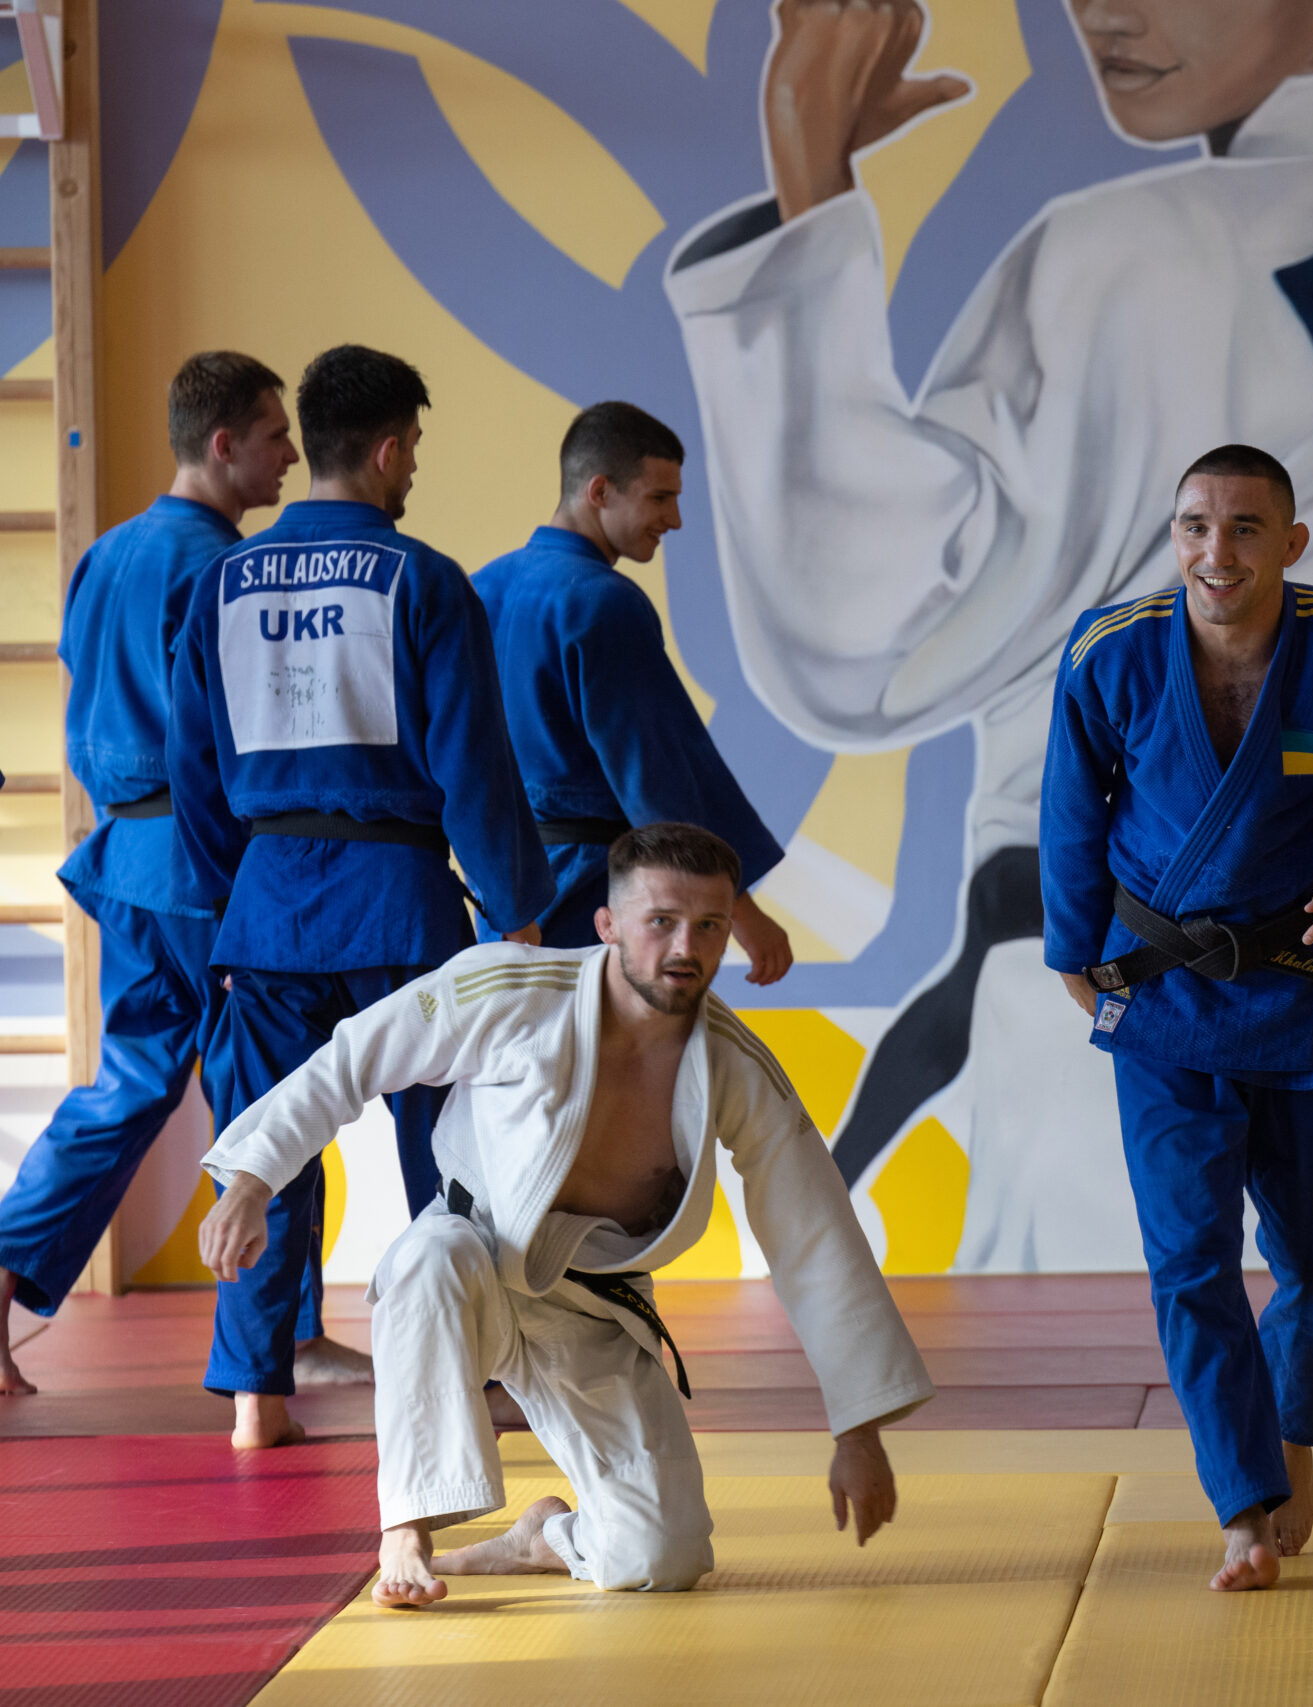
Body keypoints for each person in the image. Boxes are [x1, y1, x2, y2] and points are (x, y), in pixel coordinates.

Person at [669, 0, 1313, 1272]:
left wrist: (806, 181)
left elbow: (869, 634)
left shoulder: (1136, 256)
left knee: (1151, 1429)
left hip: (1118, 1045)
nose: (1106, 11)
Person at [195, 823, 933, 1607]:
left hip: (590, 1305)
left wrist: (858, 1428)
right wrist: (251, 1176)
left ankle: (543, 1539)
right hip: (471, 1257)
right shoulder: (510, 989)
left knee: (663, 1555)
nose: (687, 946)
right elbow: (352, 1060)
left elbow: (812, 1228)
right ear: (608, 925)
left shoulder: (730, 1064)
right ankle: (406, 1526)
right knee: (425, 1257)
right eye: (662, 921)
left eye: (710, 925)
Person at [1041, 445, 1313, 1590]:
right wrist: (1071, 955)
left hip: (1300, 998)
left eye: (1245, 529)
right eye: (1194, 527)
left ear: (1289, 542)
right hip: (1162, 996)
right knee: (1189, 1265)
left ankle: (1294, 1436)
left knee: (1312, 1262)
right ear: (1172, 535)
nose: (1216, 553)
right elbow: (1068, 809)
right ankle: (1242, 1503)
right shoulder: (1110, 651)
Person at [169, 344, 555, 1449]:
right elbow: (476, 765)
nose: (414, 469)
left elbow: (193, 770)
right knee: (447, 1150)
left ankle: (257, 1401)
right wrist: (515, 911)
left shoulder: (219, 583)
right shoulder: (421, 579)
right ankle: (471, 1378)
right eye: (416, 450)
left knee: (262, 1146)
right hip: (402, 902)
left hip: (269, 903)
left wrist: (227, 897)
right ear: (388, 450)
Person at [0, 353, 339, 1395]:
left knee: (133, 1082)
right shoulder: (221, 568)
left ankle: (9, 1269)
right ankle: (284, 1343)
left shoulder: (105, 556)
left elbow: (84, 701)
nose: (292, 455)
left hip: (128, 856)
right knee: (271, 1091)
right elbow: (232, 737)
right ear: (225, 443)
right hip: (204, 862)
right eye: (277, 436)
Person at [473, 402, 794, 979]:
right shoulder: (604, 603)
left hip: (500, 896)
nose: (674, 519)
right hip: (592, 899)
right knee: (602, 1067)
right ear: (599, 491)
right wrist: (738, 911)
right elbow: (656, 775)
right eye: (659, 498)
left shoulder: (478, 589)